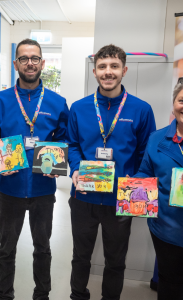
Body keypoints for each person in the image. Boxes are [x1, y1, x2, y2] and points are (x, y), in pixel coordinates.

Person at [66, 44, 156, 300]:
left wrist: (136, 189)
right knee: (80, 256)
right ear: (94, 71)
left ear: (124, 70)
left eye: (114, 66)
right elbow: (72, 145)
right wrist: (74, 168)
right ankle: (78, 295)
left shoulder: (141, 109)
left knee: (116, 260)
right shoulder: (79, 108)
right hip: (84, 195)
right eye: (102, 67)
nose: (108, 72)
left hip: (121, 199)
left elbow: (144, 155)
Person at [0, 38, 69, 300]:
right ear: (15, 63)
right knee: (6, 249)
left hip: (43, 189)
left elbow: (65, 140)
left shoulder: (57, 102)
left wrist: (57, 161)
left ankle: (41, 295)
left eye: (34, 58)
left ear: (42, 62)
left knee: (42, 248)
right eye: (24, 58)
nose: (29, 63)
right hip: (10, 189)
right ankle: (4, 295)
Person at [134, 81, 183, 300]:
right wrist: (131, 186)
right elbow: (146, 171)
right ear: (173, 105)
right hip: (167, 229)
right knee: (169, 284)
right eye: (182, 100)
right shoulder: (156, 139)